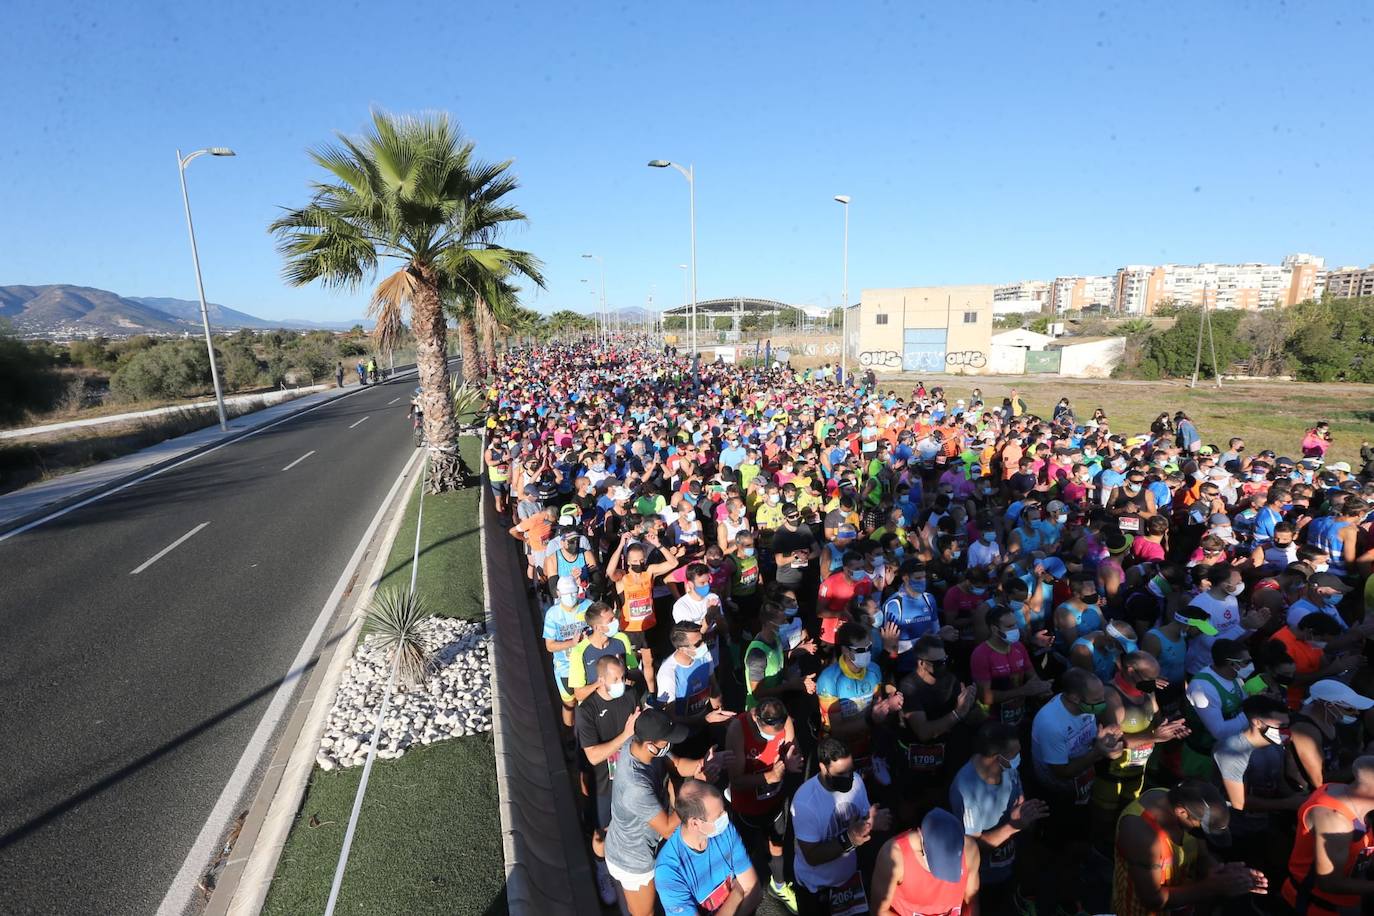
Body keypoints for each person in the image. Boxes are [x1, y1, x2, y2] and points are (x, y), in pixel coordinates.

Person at [603, 708, 723, 916]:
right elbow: (667, 828)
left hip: (645, 843)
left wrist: (701, 765)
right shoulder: (635, 787)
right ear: (650, 745)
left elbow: (676, 764)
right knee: (645, 913)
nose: (669, 746)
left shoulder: (641, 745)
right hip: (633, 860)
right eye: (665, 742)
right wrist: (695, 789)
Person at [1113, 781, 1267, 914]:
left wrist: (1224, 874)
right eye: (1202, 829)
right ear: (1182, 813)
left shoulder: (1186, 805)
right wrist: (1213, 887)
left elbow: (1202, 856)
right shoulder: (1140, 832)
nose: (1201, 834)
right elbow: (1152, 899)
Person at [791, 737, 891, 915]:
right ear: (823, 768)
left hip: (849, 880)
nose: (848, 779)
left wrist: (871, 822)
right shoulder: (804, 802)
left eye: (850, 771)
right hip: (817, 888)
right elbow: (812, 856)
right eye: (840, 774)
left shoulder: (857, 782)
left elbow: (861, 820)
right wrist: (850, 839)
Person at [949, 722, 1047, 901]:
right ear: (996, 758)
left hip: (1012, 864)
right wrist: (1013, 826)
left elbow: (1019, 802)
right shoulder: (967, 791)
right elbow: (972, 845)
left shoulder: (1008, 769)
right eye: (1014, 754)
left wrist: (1026, 816)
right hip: (986, 880)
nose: (1019, 758)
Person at [724, 697, 803, 911]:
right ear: (756, 717)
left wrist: (792, 759)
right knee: (745, 853)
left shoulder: (784, 719)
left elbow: (792, 747)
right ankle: (739, 894)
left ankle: (778, 885)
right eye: (770, 731)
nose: (774, 736)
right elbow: (736, 781)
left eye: (778, 731)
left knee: (777, 845)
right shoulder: (738, 730)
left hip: (775, 801)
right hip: (747, 807)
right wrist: (768, 777)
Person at [576, 657, 643, 904]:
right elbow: (593, 756)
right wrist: (625, 735)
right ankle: (602, 868)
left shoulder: (630, 695)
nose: (621, 683)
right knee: (602, 831)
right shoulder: (587, 711)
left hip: (632, 776)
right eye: (615, 679)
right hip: (604, 783)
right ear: (601, 680)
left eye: (622, 677)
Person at [1282, 755, 1374, 915]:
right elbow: (1329, 883)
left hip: (1347, 900)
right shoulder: (1336, 821)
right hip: (1318, 906)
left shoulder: (1340, 789)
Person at [654, 780, 762, 915]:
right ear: (695, 824)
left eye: (724, 811)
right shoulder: (669, 871)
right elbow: (745, 888)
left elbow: (754, 890)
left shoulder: (725, 830)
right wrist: (737, 893)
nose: (726, 818)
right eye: (718, 816)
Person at [870, 808, 981, 916]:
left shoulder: (970, 851)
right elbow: (879, 911)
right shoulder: (893, 857)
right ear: (921, 838)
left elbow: (971, 900)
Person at [542, 575, 592, 728]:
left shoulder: (589, 606)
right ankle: (569, 733)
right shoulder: (552, 614)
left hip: (588, 665)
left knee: (590, 702)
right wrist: (572, 643)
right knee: (569, 703)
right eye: (565, 594)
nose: (570, 597)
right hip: (565, 668)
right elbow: (549, 646)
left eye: (572, 592)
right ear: (558, 593)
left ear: (578, 591)